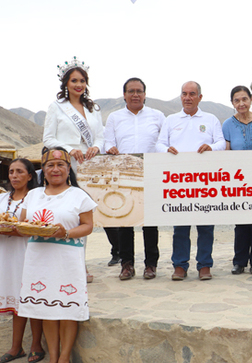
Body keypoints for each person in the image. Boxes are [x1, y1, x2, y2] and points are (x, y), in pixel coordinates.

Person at [18, 148, 97, 363]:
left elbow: (88, 226)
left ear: (68, 168)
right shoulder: (33, 195)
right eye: (50, 165)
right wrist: (22, 228)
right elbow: (23, 225)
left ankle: (64, 357)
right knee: (46, 309)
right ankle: (53, 357)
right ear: (42, 170)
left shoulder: (79, 195)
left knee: (67, 309)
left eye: (60, 165)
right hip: (38, 260)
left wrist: (67, 233)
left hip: (66, 259)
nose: (55, 169)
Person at [42, 56, 106, 279]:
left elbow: (101, 137)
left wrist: (96, 147)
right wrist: (69, 149)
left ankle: (81, 264)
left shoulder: (93, 108)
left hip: (89, 166)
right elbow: (48, 138)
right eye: (74, 81)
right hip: (66, 166)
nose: (79, 85)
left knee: (83, 217)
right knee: (67, 215)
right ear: (66, 84)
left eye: (82, 81)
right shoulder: (57, 108)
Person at [156, 81, 225, 281]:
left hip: (205, 181)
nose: (188, 97)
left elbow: (221, 142)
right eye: (184, 94)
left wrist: (211, 147)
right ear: (181, 97)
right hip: (179, 181)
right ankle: (180, 265)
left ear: (200, 97)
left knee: (205, 225)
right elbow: (159, 144)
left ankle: (204, 265)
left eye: (192, 94)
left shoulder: (211, 119)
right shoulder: (171, 120)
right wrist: (166, 150)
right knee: (180, 226)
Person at [104, 77, 165, 280]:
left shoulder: (158, 116)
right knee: (125, 221)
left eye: (139, 91)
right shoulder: (114, 117)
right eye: (131, 91)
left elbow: (164, 142)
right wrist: (109, 149)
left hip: (152, 172)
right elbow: (108, 142)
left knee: (150, 222)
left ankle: (151, 264)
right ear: (124, 95)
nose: (135, 94)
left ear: (145, 94)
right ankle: (127, 264)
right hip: (123, 173)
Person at [0, 159, 45, 363]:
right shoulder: (3, 198)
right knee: (16, 299)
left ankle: (36, 345)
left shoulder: (37, 197)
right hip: (7, 255)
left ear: (30, 176)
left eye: (19, 171)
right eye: (11, 172)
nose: (14, 176)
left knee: (30, 299)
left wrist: (18, 229)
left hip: (29, 253)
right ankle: (16, 347)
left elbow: (38, 224)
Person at [222, 86, 252, 275]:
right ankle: (239, 261)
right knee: (240, 222)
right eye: (236, 100)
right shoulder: (227, 124)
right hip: (238, 181)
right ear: (232, 103)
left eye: (244, 99)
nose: (241, 103)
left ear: (251, 99)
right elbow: (227, 151)